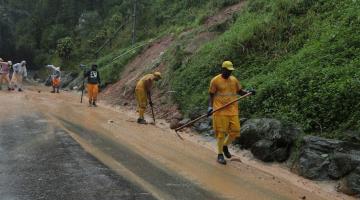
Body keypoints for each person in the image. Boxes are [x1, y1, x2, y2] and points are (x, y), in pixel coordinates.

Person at [208, 61, 255, 165]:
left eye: (231, 71)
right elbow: (211, 94)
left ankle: (225, 146)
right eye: (228, 70)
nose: (230, 73)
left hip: (232, 110)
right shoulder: (215, 80)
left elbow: (239, 91)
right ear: (223, 69)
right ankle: (220, 155)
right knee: (221, 133)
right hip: (220, 110)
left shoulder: (234, 80)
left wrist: (249, 92)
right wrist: (210, 107)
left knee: (235, 131)